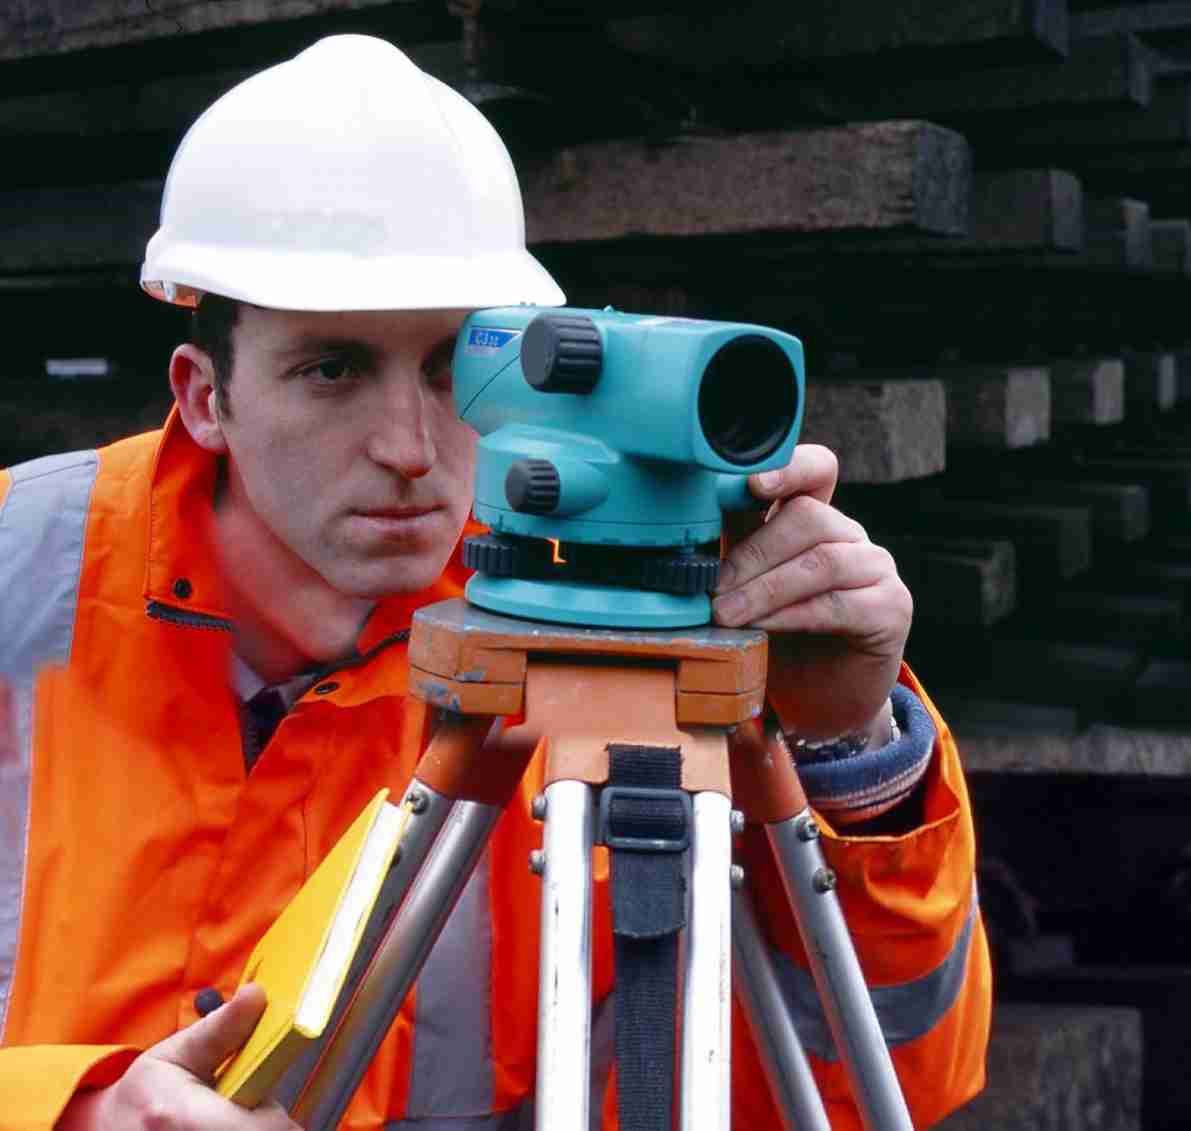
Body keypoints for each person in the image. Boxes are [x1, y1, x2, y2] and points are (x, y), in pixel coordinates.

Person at [0, 34, 989, 1131]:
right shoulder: (14, 568)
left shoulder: (601, 674)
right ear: (204, 396)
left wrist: (847, 760)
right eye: (331, 369)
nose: (411, 447)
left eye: (449, 367)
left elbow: (868, 1089)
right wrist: (69, 1112)